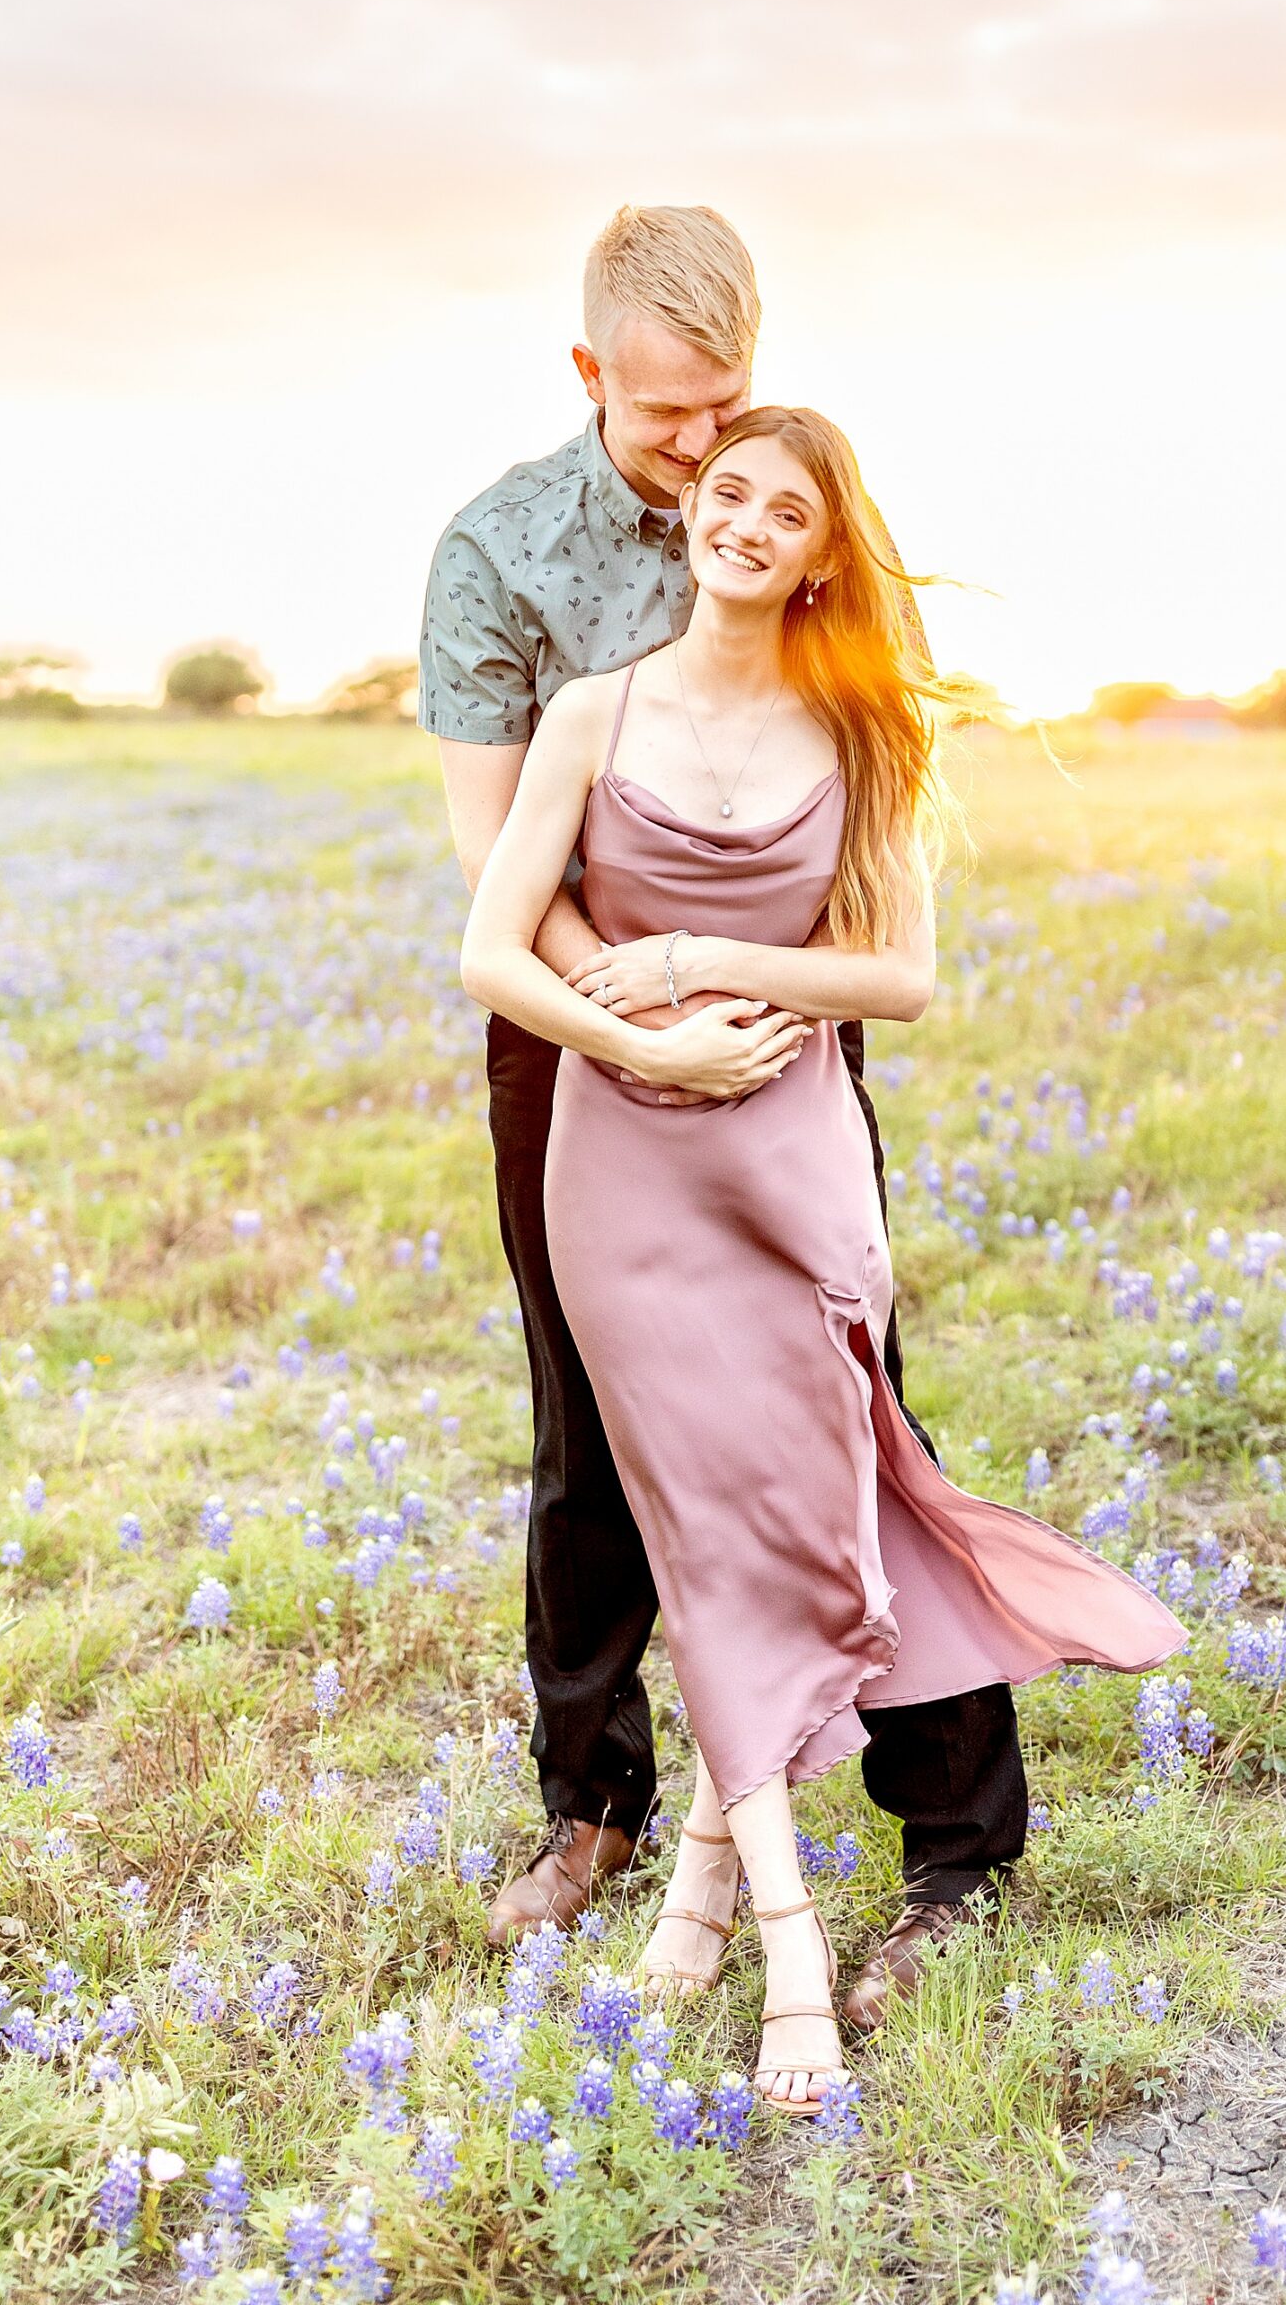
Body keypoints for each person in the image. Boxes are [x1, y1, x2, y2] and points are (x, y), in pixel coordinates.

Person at [457, 404, 1188, 2113]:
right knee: (704, 1534)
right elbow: (493, 949)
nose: (749, 524)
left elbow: (903, 977)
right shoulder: (590, 711)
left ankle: (708, 1884)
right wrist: (636, 1039)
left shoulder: (860, 731)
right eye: (728, 494)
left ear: (821, 548)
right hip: (623, 1161)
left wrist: (720, 961)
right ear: (690, 514)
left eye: (788, 511)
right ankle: (789, 1942)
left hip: (792, 1164)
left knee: (804, 1506)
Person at [422, 204, 1030, 2032]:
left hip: (781, 1039)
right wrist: (646, 1016)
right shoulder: (500, 553)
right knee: (588, 1433)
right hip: (581, 1026)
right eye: (675, 414)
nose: (707, 454)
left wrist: (728, 1006)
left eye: (733, 408)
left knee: (850, 1408)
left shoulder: (786, 501)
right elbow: (491, 871)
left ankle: (956, 1846)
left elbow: (877, 816)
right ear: (594, 375)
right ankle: (594, 1806)